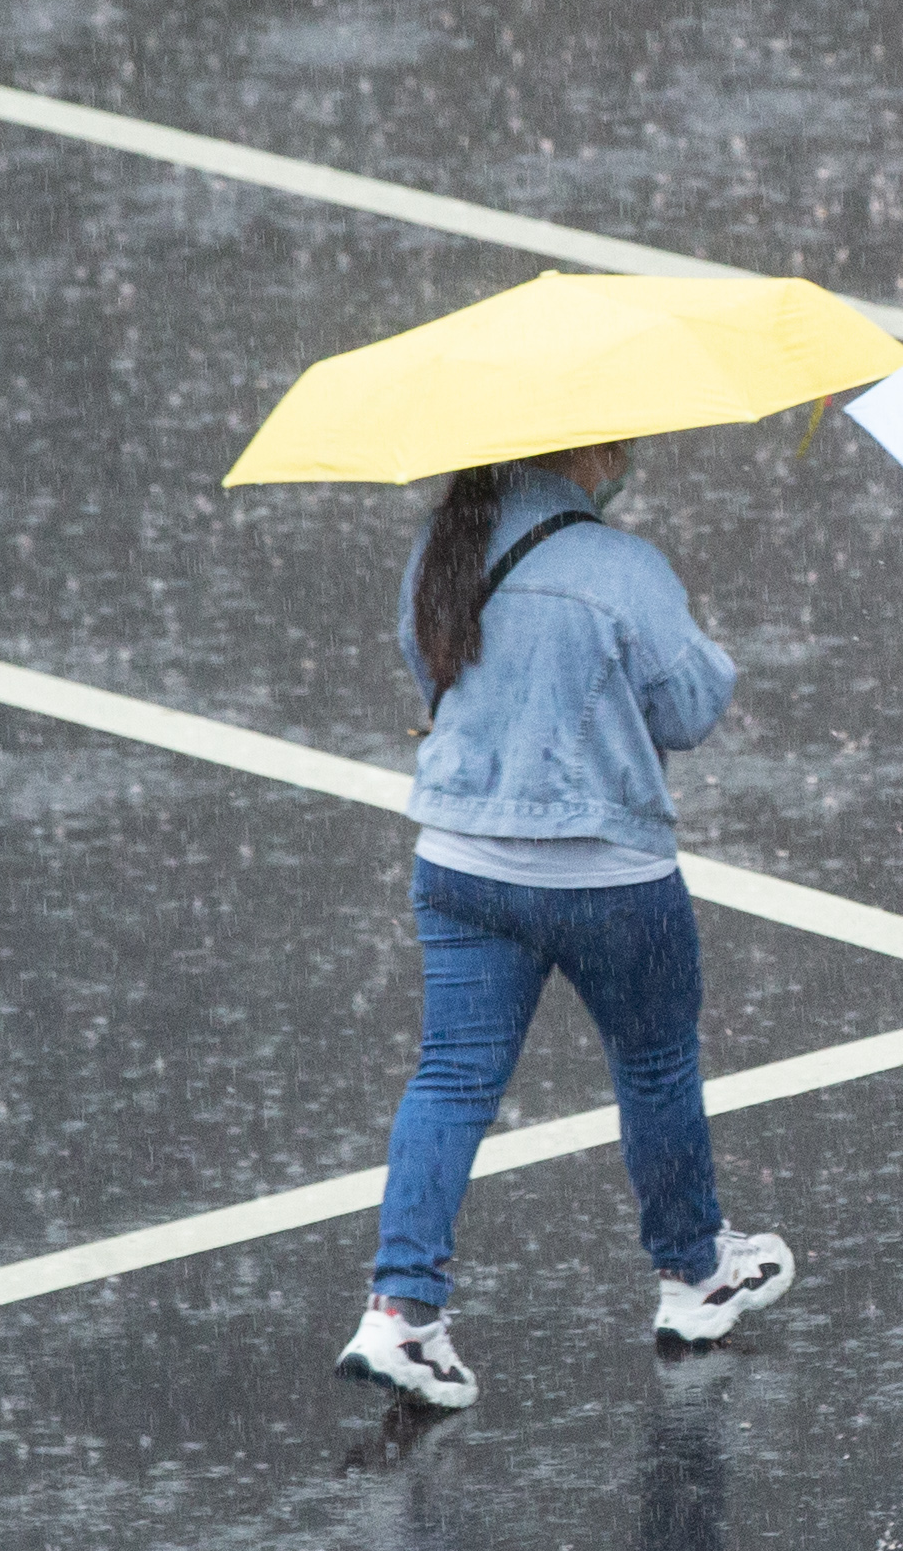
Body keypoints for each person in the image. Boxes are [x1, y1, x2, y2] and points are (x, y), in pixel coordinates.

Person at [337, 441, 796, 1410]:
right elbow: (692, 709)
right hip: (610, 875)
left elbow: (426, 667)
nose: (630, 452)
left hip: (462, 862)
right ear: (582, 452)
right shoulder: (622, 569)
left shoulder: (441, 549)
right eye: (619, 439)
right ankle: (692, 1272)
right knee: (655, 1065)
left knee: (451, 1078)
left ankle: (400, 1307)